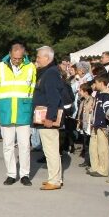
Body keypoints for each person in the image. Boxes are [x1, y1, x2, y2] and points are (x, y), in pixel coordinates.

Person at [0, 42, 37, 186]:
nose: (17, 60)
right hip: (6, 110)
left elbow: (32, 88)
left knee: (25, 146)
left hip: (23, 110)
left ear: (23, 55)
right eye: (14, 58)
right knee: (8, 145)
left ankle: (25, 174)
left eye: (20, 58)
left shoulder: (30, 67)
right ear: (10, 54)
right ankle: (11, 174)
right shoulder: (1, 66)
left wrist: (28, 103)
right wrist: (1, 102)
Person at [33, 46, 65, 190]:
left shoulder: (51, 73)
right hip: (44, 116)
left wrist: (50, 117)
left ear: (47, 58)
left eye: (39, 57)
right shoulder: (47, 72)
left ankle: (55, 180)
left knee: (51, 149)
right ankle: (55, 178)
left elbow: (54, 97)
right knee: (49, 149)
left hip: (47, 118)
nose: (37, 60)